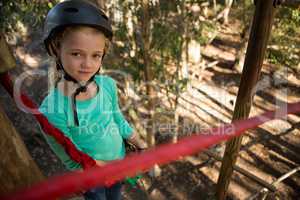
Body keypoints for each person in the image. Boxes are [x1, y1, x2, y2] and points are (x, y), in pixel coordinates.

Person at [39, 0, 147, 199]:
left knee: (115, 196)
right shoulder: (52, 109)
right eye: (76, 54)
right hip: (92, 176)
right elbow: (67, 151)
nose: (87, 64)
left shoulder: (107, 85)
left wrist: (137, 141)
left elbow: (116, 119)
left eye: (96, 55)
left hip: (119, 164)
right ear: (56, 50)